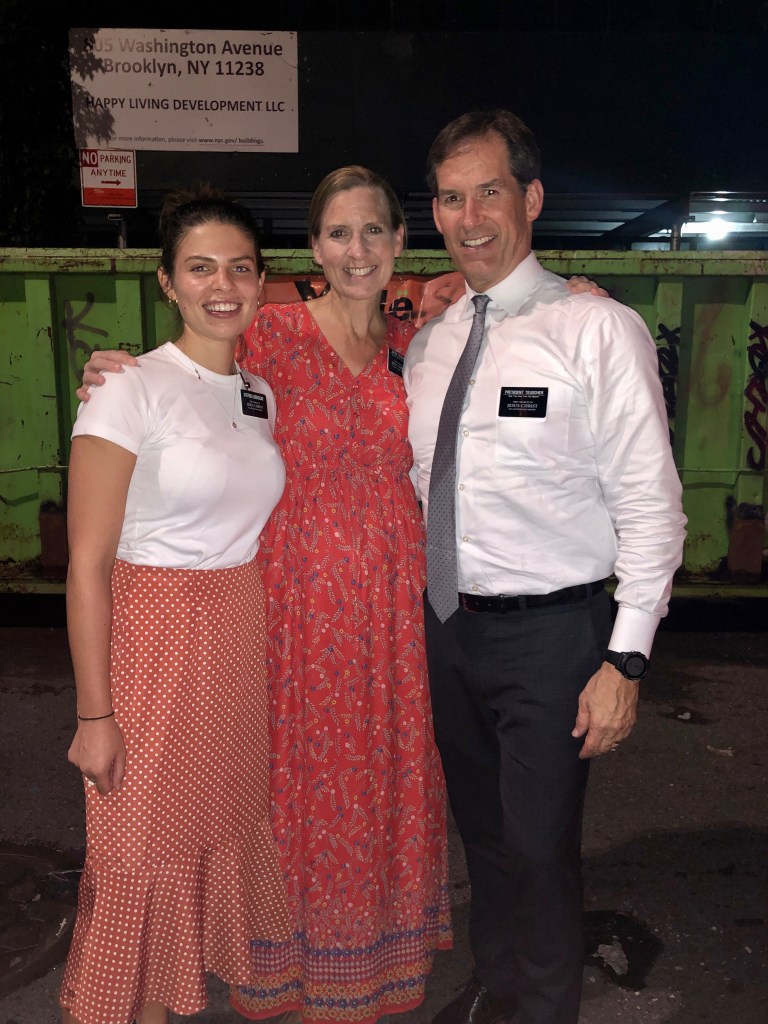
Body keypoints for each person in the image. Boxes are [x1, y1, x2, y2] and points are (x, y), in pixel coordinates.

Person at [76, 167, 605, 1024]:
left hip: (396, 605)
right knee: (290, 779)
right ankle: (282, 964)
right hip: (292, 604)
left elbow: (504, 315)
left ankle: (371, 960)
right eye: (336, 234)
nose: (356, 250)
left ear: (399, 242)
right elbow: (191, 368)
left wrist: (574, 292)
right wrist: (116, 367)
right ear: (314, 250)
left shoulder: (422, 340)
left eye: (372, 232)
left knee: (383, 774)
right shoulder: (269, 333)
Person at [403, 110, 687, 1024]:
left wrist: (625, 659)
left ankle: (544, 1007)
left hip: (554, 636)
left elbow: (653, 507)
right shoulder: (431, 343)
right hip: (448, 627)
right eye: (451, 197)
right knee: (484, 838)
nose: (470, 216)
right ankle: (498, 986)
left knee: (537, 848)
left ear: (530, 198)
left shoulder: (597, 330)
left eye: (489, 191)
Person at [61, 185, 291, 1024]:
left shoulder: (259, 392)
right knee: (138, 848)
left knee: (195, 843)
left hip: (233, 631)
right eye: (200, 268)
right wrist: (95, 716)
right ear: (167, 281)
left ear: (261, 280)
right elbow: (86, 565)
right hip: (151, 633)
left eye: (239, 267)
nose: (222, 285)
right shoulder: (130, 387)